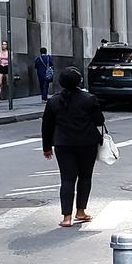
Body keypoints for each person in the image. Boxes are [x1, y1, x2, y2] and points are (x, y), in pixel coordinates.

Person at [42, 67, 104, 227]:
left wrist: (46, 147)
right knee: (85, 177)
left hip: (63, 145)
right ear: (79, 82)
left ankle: (66, 217)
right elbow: (99, 120)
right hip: (87, 143)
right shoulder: (89, 99)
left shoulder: (53, 101)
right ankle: (81, 211)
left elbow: (46, 126)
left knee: (67, 179)